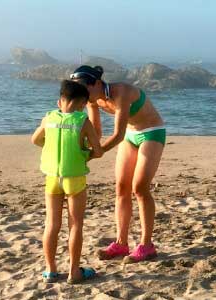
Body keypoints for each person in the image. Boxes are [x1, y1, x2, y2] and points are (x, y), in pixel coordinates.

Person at [70, 65, 165, 263]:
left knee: (140, 188)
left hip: (152, 131)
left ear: (96, 83)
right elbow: (97, 131)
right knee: (121, 188)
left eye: (84, 89)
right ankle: (121, 244)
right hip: (131, 135)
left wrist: (97, 153)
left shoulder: (121, 92)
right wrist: (85, 148)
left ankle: (147, 245)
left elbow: (117, 134)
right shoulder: (93, 99)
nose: (82, 95)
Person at [31, 80, 104, 284]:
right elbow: (98, 151)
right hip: (74, 179)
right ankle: (74, 272)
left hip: (52, 178)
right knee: (75, 225)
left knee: (52, 224)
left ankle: (50, 270)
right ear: (82, 104)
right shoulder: (82, 121)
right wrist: (85, 154)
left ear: (60, 101)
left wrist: (50, 147)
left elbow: (35, 140)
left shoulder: (49, 118)